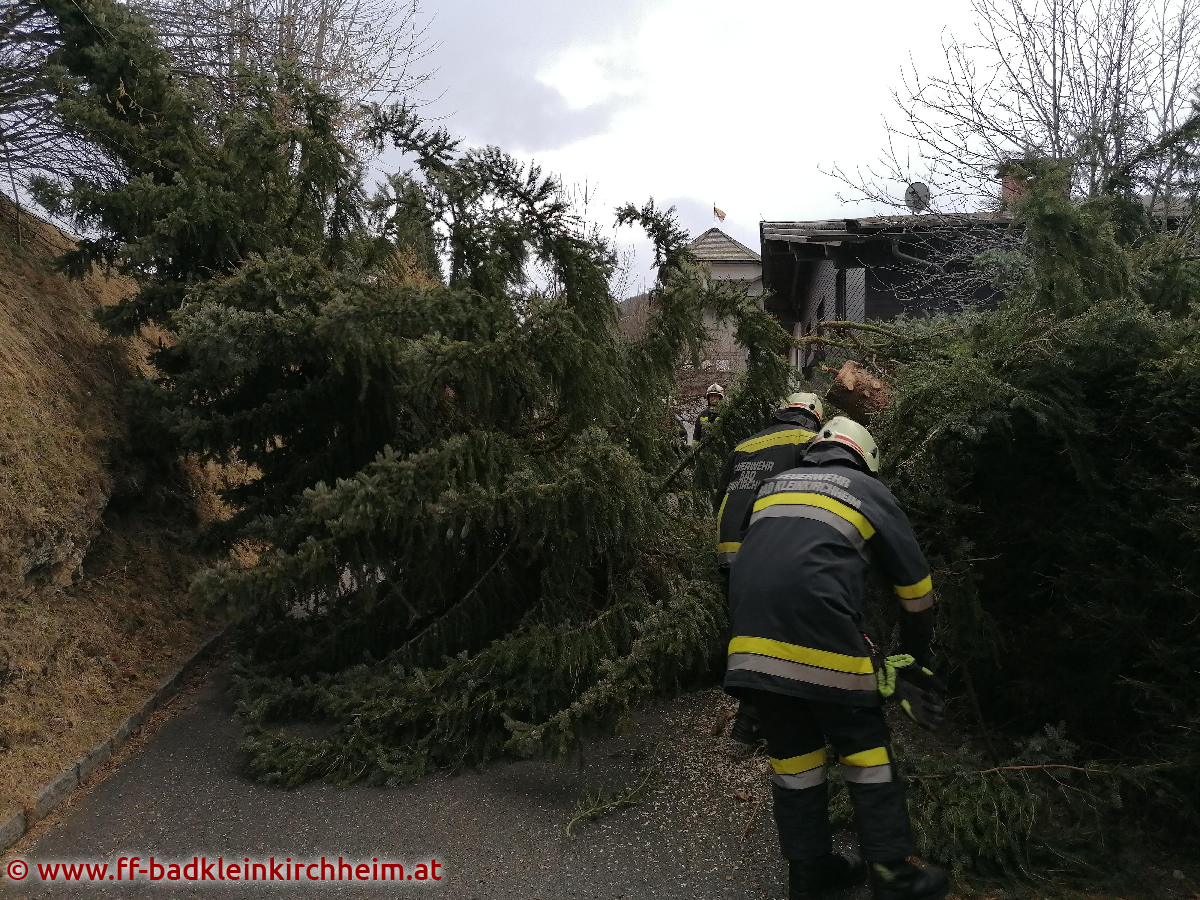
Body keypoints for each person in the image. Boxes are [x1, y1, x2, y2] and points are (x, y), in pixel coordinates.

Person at [725, 417, 950, 900]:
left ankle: (810, 875)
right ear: (865, 458)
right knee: (865, 749)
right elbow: (916, 592)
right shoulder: (868, 491)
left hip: (748, 646)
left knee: (795, 761)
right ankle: (892, 875)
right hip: (820, 638)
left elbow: (764, 561)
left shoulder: (772, 486)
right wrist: (913, 659)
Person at [713, 392, 824, 744]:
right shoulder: (810, 441)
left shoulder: (746, 444)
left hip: (730, 548)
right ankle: (755, 720)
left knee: (749, 630)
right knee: (780, 634)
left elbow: (719, 496)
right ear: (815, 417)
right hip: (768, 549)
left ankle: (751, 712)